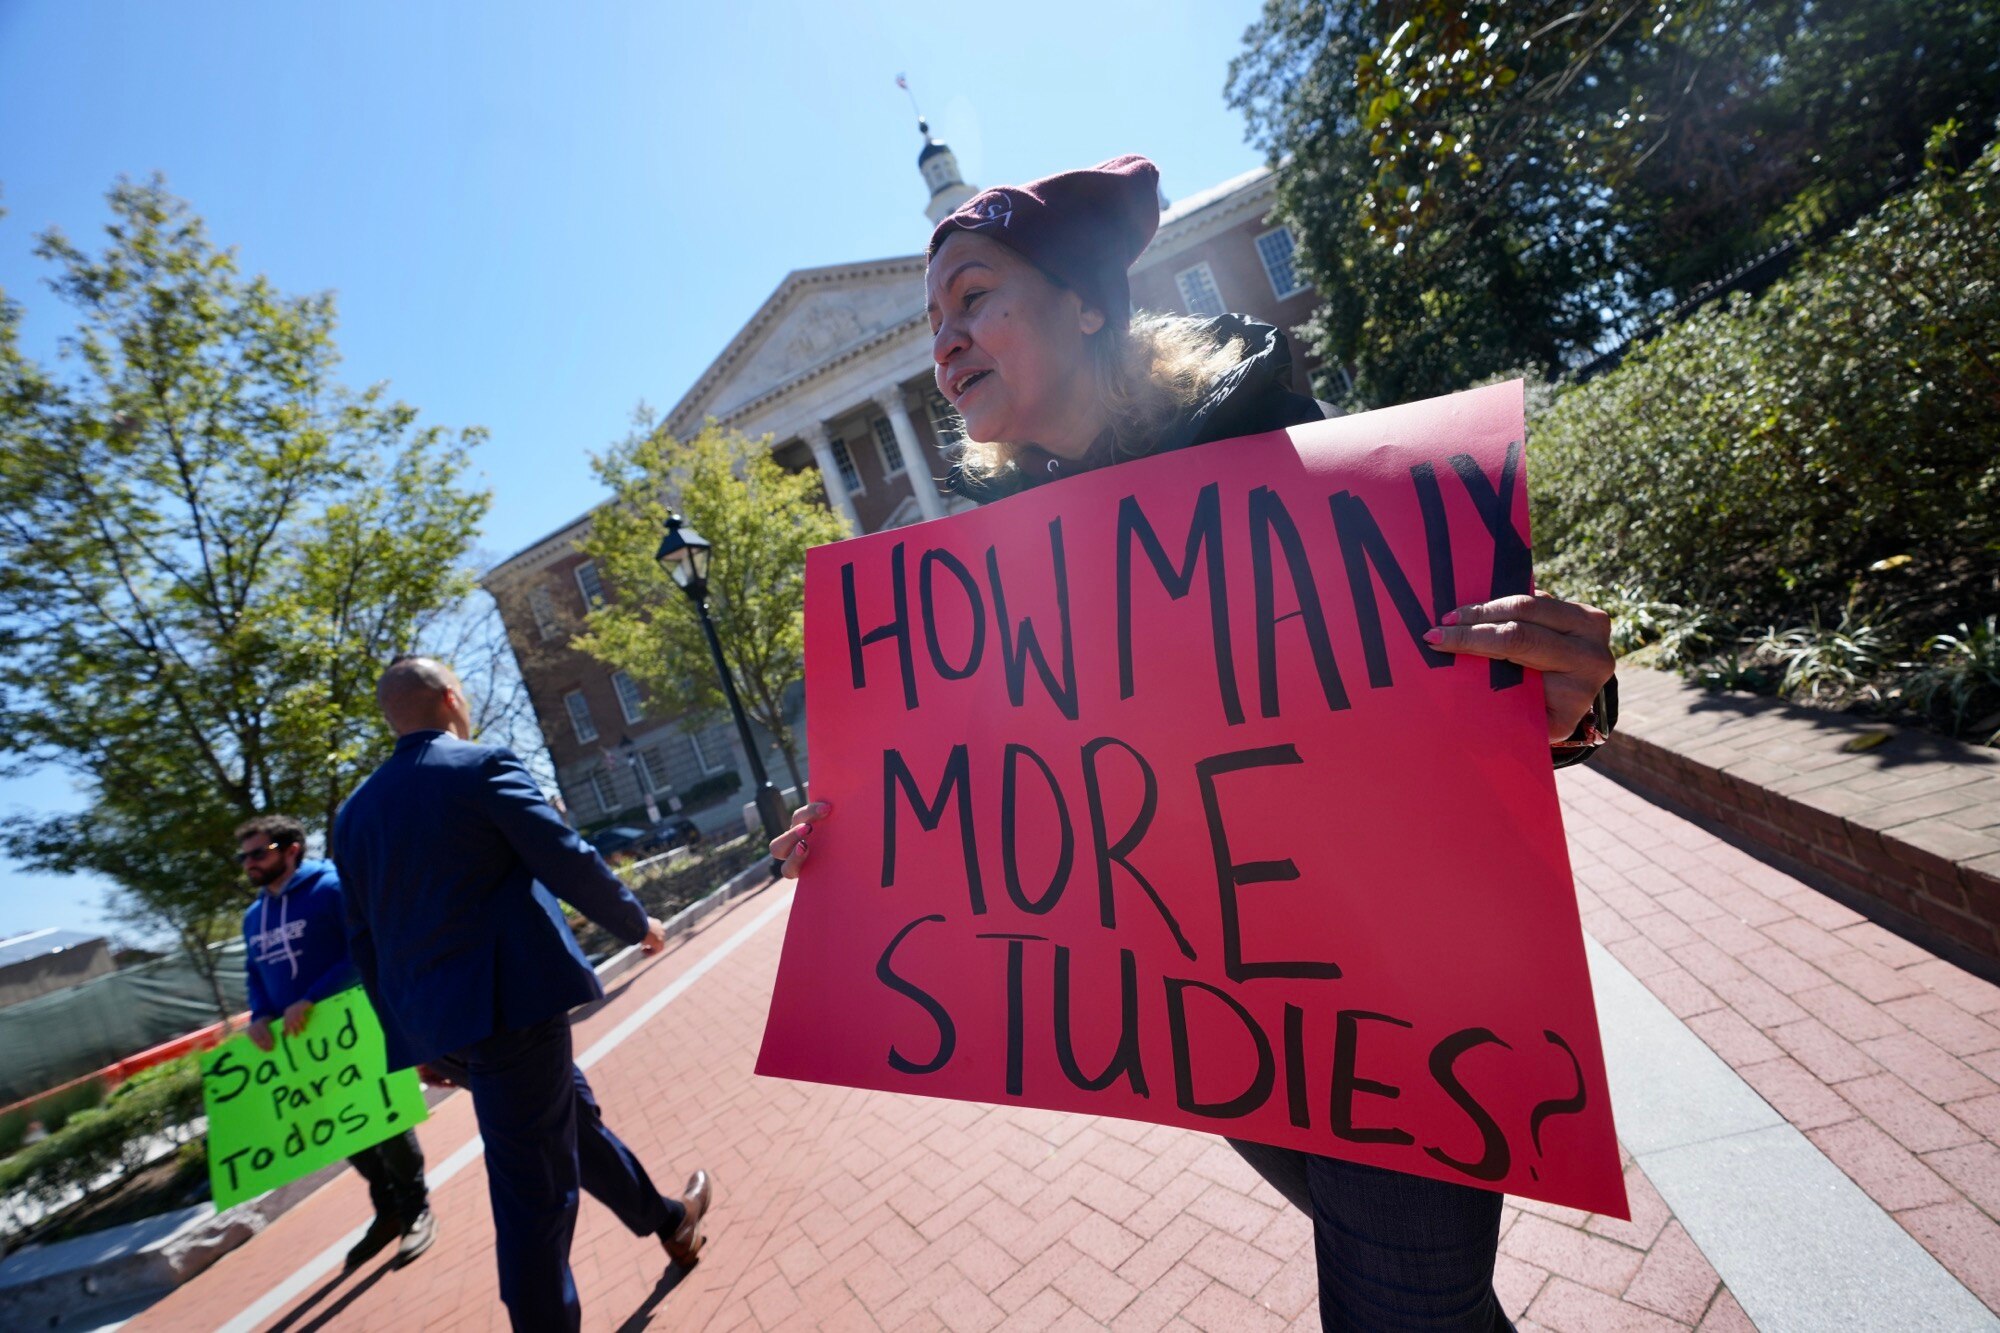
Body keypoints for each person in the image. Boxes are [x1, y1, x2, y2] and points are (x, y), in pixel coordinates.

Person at [772, 156, 1618, 1332]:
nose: (944, 342)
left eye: (971, 298)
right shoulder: (993, 566)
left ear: (1084, 301)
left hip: (1399, 989)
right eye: (930, 322)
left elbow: (1432, 672)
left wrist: (1569, 705)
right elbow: (997, 798)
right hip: (1220, 1018)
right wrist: (863, 840)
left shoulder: (1266, 439)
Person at [332, 656, 712, 1333]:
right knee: (533, 1196)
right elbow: (563, 853)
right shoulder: (478, 765)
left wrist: (411, 1040)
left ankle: (669, 1220)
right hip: (512, 1013)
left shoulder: (354, 815)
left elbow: (365, 943)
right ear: (451, 696)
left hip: (446, 1030)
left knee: (572, 1122)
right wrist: (635, 920)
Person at [235, 814, 436, 1271]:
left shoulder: (330, 888)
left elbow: (360, 948)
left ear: (290, 850)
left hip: (353, 1026)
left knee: (384, 1118)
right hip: (301, 1045)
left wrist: (311, 997)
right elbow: (255, 973)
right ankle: (387, 1211)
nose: (247, 863)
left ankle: (416, 1210)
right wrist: (260, 1014)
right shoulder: (253, 917)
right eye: (243, 856)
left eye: (257, 853)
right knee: (340, 1126)